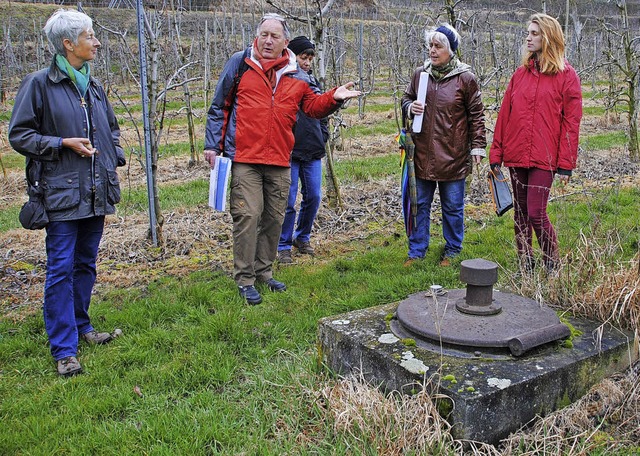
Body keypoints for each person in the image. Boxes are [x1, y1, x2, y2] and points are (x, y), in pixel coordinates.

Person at [204, 14, 360, 305]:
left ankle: (264, 272)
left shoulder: (296, 75)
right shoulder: (240, 64)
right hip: (245, 157)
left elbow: (312, 108)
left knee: (274, 218)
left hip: (279, 158)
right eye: (263, 34)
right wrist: (212, 145)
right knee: (248, 216)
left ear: (285, 42)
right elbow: (219, 105)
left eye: (274, 36)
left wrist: (334, 97)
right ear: (257, 36)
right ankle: (245, 278)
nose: (267, 40)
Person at [8, 9, 126, 376]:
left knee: (86, 264)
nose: (97, 42)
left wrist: (113, 156)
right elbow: (19, 135)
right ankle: (63, 349)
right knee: (60, 269)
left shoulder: (93, 85)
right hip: (61, 195)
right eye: (91, 36)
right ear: (68, 43)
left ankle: (82, 327)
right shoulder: (39, 84)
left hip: (96, 190)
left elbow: (112, 127)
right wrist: (61, 143)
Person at [489, 13, 582, 274]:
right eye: (528, 32)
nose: (528, 37)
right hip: (516, 153)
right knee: (519, 213)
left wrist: (565, 164)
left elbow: (570, 124)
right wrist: (496, 153)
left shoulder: (567, 77)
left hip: (545, 157)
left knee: (536, 212)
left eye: (534, 33)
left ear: (548, 38)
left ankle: (552, 264)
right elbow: (504, 116)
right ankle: (525, 264)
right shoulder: (520, 75)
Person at [401, 23, 486, 267]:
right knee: (419, 205)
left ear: (450, 50)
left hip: (453, 155)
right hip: (423, 153)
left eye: (438, 46)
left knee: (452, 208)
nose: (432, 51)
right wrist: (409, 107)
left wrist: (477, 146)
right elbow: (407, 98)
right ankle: (417, 251)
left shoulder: (465, 79)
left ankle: (452, 250)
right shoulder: (421, 74)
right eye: (430, 46)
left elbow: (476, 115)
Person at [277, 36, 328, 264]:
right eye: (302, 57)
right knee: (288, 200)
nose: (306, 62)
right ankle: (283, 245)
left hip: (313, 149)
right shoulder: (284, 83)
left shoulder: (313, 81)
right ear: (291, 57)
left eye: (309, 58)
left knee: (314, 196)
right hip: (289, 151)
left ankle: (302, 237)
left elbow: (323, 110)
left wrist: (322, 135)